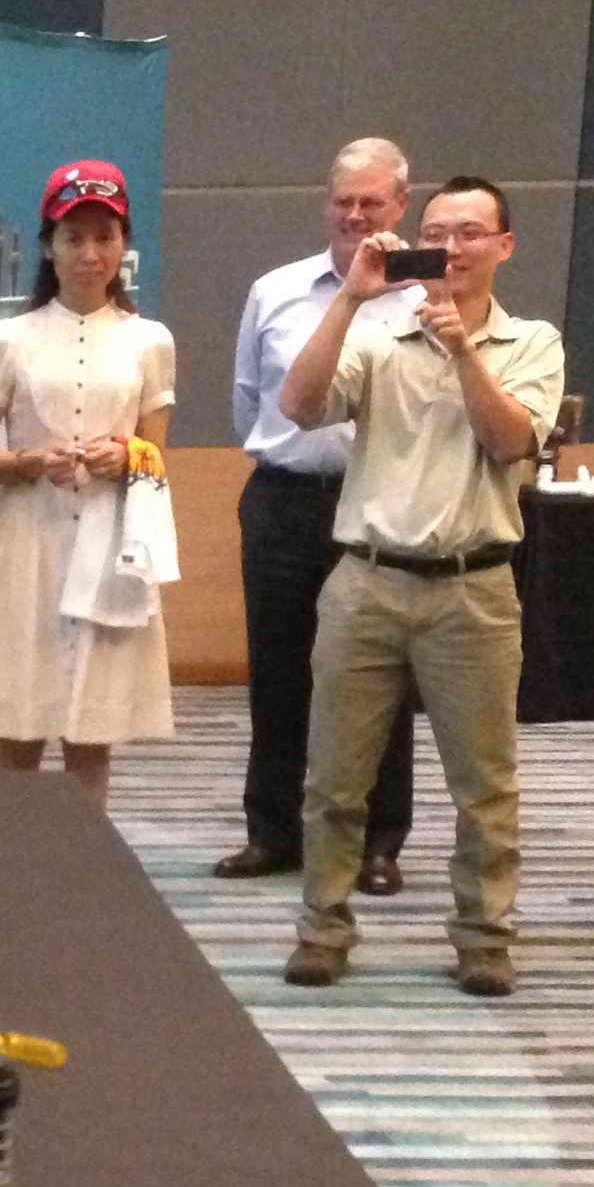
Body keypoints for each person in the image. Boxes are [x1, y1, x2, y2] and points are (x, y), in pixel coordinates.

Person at [272, 178, 565, 996]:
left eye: (470, 233)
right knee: (333, 779)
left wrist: (462, 349)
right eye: (435, 233)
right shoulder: (376, 336)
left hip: (473, 589)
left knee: (485, 786)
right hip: (366, 582)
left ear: (504, 245)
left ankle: (484, 937)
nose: (452, 249)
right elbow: (297, 405)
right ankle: (322, 927)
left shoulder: (532, 342)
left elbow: (510, 441)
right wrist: (351, 298)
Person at [220, 139, 424, 891]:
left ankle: (378, 842)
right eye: (344, 200)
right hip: (283, 497)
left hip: (381, 503)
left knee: (380, 680)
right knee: (277, 671)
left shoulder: (425, 298)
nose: (356, 214)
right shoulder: (274, 290)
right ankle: (273, 833)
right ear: (325, 204)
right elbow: (250, 400)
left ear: (401, 207)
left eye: (372, 201)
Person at [0, 159, 175, 804]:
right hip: (29, 547)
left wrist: (126, 456)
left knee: (90, 736)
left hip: (108, 550)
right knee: (18, 730)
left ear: (124, 245)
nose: (90, 254)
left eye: (105, 237)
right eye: (74, 239)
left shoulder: (150, 340)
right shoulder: (10, 338)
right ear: (48, 247)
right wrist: (28, 461)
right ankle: (11, 854)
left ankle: (87, 858)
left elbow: (157, 458)